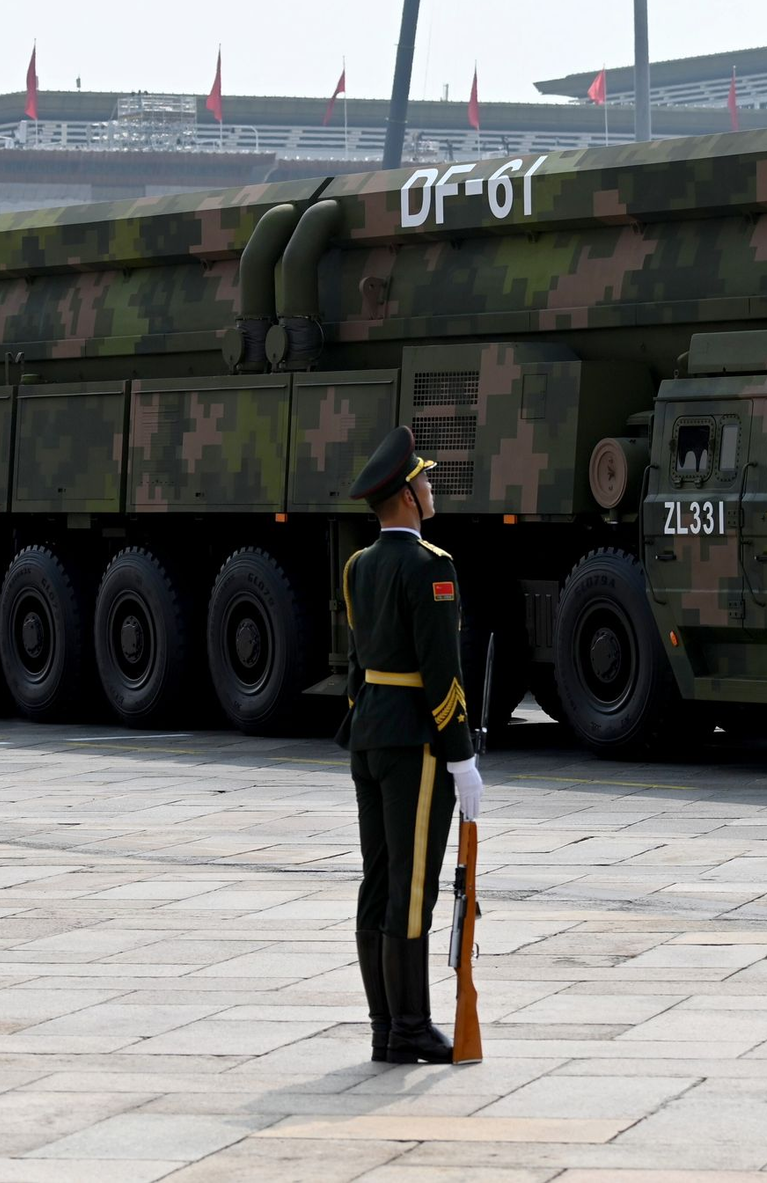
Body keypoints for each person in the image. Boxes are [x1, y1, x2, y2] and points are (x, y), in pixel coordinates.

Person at [336, 426, 484, 1066]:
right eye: (423, 480)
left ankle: (384, 1027)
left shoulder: (358, 567)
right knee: (413, 884)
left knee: (378, 880)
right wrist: (461, 755)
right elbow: (442, 671)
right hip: (414, 744)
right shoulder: (431, 567)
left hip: (368, 735)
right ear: (405, 497)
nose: (430, 487)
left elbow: (357, 665)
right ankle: (411, 1027)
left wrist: (364, 719)